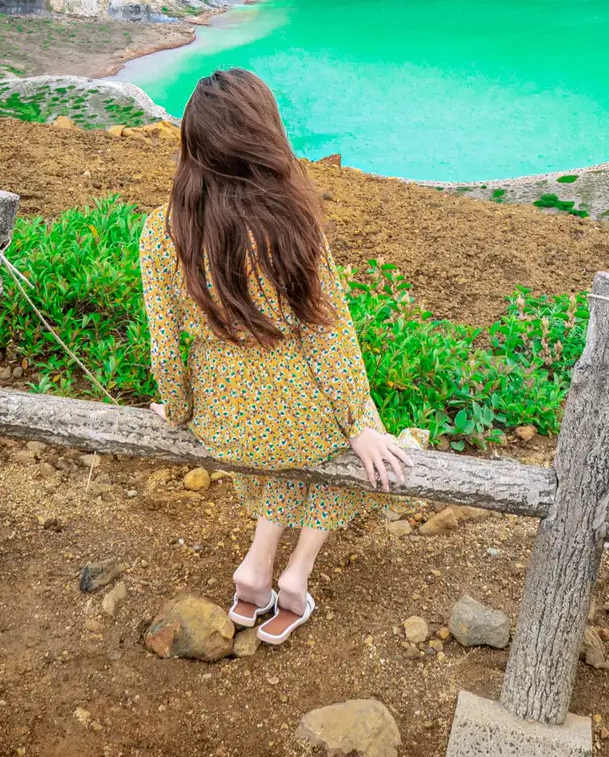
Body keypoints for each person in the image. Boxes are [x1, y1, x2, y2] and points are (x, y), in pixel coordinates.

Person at [139, 67, 410, 644]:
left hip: (225, 420)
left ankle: (255, 574)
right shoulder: (290, 223)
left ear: (194, 141)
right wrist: (359, 421)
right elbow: (328, 336)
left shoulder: (160, 232)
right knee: (352, 441)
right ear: (263, 135)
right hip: (297, 415)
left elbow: (166, 347)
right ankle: (295, 577)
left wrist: (181, 411)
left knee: (296, 440)